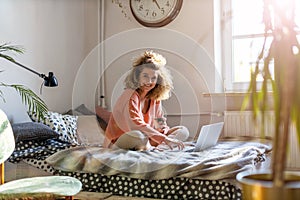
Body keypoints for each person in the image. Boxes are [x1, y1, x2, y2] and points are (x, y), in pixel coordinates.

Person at [103, 50, 189, 150]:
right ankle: (157, 147)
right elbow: (135, 125)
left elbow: (159, 121)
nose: (149, 81)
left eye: (153, 78)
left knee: (183, 131)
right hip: (121, 140)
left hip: (147, 138)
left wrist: (164, 132)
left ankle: (157, 147)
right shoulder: (129, 95)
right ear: (137, 76)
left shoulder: (154, 97)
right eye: (145, 76)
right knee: (139, 136)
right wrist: (165, 139)